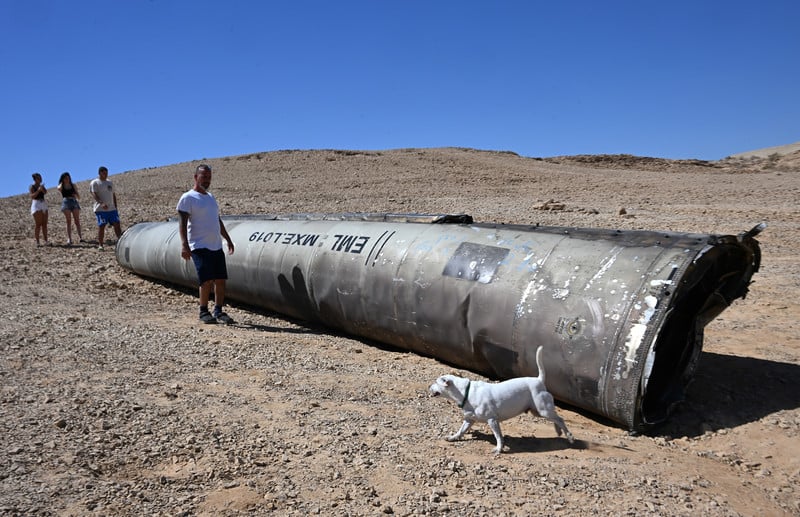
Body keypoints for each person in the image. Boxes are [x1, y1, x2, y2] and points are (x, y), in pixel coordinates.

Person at [177, 164, 236, 324]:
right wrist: (184, 245)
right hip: (199, 245)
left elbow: (217, 220)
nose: (207, 180)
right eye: (204, 176)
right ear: (196, 177)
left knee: (220, 280)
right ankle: (203, 310)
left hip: (215, 245)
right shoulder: (188, 198)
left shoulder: (210, 198)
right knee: (206, 280)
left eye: (209, 177)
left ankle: (218, 310)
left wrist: (227, 239)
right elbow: (182, 223)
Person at [89, 166, 122, 250]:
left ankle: (121, 241)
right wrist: (101, 203)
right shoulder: (95, 182)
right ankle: (100, 244)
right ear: (100, 173)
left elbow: (113, 194)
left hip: (112, 208)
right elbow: (94, 193)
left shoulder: (109, 183)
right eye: (104, 173)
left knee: (117, 224)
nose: (106, 174)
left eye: (106, 173)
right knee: (102, 225)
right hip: (101, 209)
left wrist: (115, 205)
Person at [57, 172, 84, 245]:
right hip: (66, 202)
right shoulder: (61, 186)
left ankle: (80, 237)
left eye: (68, 178)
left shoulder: (73, 185)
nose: (67, 179)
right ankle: (69, 238)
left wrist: (75, 195)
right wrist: (62, 183)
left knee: (77, 220)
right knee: (68, 221)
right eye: (65, 178)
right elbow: (58, 188)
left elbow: (78, 196)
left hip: (73, 201)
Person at [29, 173, 49, 246]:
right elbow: (32, 196)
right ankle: (37, 241)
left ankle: (46, 240)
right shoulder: (32, 186)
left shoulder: (41, 186)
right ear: (35, 179)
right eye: (38, 178)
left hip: (43, 203)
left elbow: (45, 192)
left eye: (40, 177)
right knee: (38, 224)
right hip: (36, 204)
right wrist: (38, 190)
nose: (40, 179)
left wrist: (42, 189)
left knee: (44, 224)